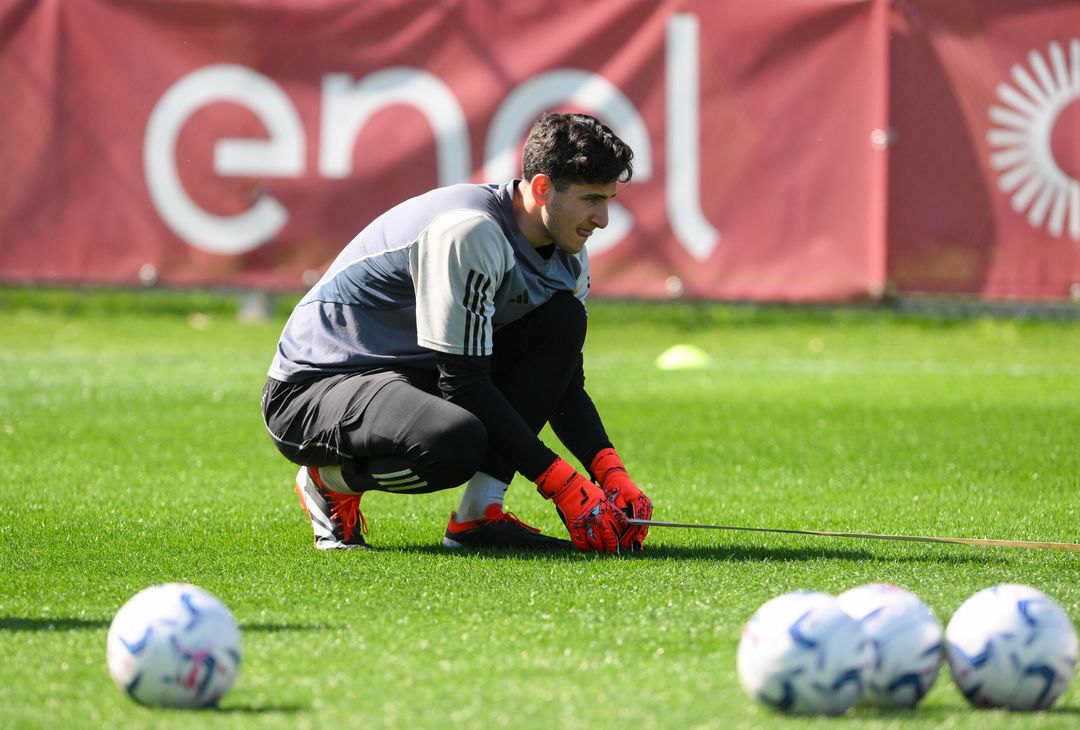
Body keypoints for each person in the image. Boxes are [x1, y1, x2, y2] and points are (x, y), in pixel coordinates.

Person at [261, 112, 652, 553]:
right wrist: (561, 483)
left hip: (409, 375)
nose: (602, 219)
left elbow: (563, 385)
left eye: (609, 200)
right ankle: (328, 482)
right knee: (451, 443)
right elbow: (464, 384)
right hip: (312, 389)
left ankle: (478, 519)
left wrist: (610, 472)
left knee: (563, 320)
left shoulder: (568, 249)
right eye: (591, 199)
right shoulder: (470, 231)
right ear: (542, 188)